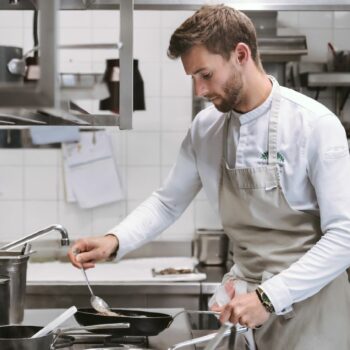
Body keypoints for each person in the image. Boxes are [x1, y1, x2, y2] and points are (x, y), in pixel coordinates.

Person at [68, 5, 350, 349]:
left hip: (312, 314)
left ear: (241, 54)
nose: (199, 90)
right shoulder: (207, 128)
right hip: (244, 309)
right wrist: (115, 240)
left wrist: (268, 297)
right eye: (193, 78)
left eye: (205, 74)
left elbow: (344, 236)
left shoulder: (315, 125)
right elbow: (167, 202)